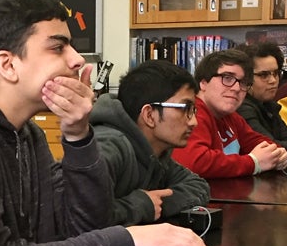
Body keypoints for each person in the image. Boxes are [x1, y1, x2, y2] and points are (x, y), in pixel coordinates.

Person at [0, 0, 210, 246]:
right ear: (7, 65)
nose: (78, 59)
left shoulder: (28, 133)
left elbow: (82, 228)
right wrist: (128, 241)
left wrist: (78, 134)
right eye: (58, 47)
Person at [89, 59, 209, 226]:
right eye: (185, 109)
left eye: (193, 110)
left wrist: (157, 204)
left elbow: (198, 186)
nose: (193, 122)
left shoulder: (157, 151)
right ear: (149, 115)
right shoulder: (108, 147)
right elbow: (81, 219)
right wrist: (142, 206)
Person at [172, 48, 287, 178]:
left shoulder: (231, 117)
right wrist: (253, 162)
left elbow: (264, 145)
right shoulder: (192, 114)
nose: (237, 88)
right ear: (203, 83)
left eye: (243, 83)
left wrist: (278, 154)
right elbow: (195, 163)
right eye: (227, 78)